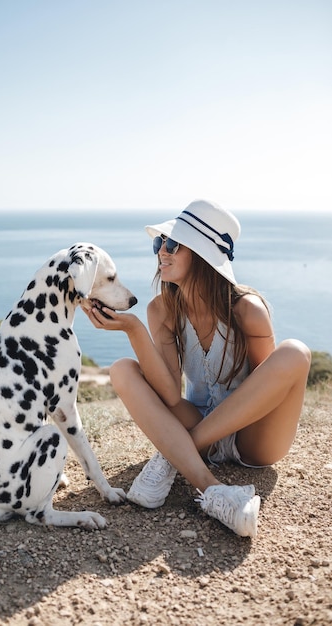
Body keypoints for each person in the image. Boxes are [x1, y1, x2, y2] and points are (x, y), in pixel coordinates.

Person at [84, 200, 311, 538]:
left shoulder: (247, 310)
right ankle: (215, 490)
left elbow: (267, 392)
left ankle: (175, 456)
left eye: (173, 244)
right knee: (122, 369)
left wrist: (181, 446)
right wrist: (133, 329)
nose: (162, 251)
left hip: (253, 438)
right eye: (159, 243)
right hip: (198, 422)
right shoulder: (162, 309)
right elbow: (169, 395)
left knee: (295, 352)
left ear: (203, 255)